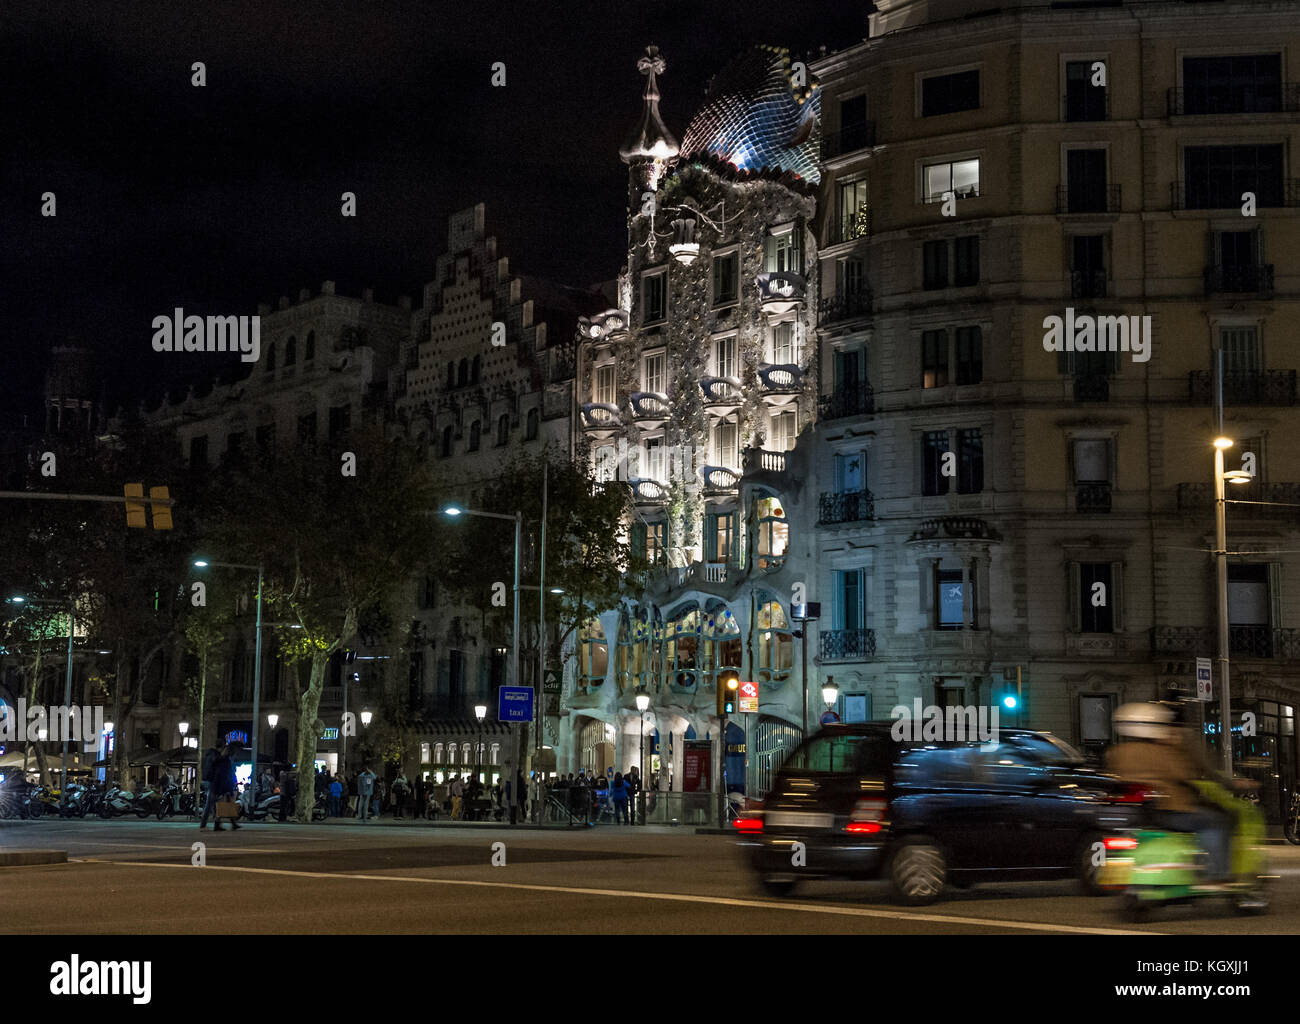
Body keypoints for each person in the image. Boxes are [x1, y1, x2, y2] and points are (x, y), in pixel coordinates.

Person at [1106, 702, 1231, 881]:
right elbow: (1184, 774)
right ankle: (1217, 872)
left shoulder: (1116, 753)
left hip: (1136, 815)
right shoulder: (1161, 752)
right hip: (1170, 812)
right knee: (1216, 821)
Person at [205, 743, 240, 831]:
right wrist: (227, 789)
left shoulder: (220, 760)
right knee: (224, 805)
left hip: (218, 786)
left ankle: (231, 823)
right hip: (223, 787)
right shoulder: (225, 761)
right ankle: (222, 824)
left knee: (224, 805)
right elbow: (225, 776)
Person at [198, 745, 220, 829]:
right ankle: (204, 823)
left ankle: (217, 821)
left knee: (213, 802)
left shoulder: (206, 756)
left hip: (205, 780)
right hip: (211, 781)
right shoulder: (215, 756)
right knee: (210, 802)